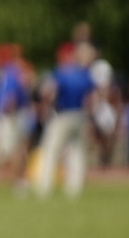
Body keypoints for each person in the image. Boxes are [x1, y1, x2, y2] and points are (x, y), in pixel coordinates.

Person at [36, 40, 98, 198]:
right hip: (80, 116)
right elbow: (91, 99)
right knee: (77, 152)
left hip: (62, 115)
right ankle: (74, 189)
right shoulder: (85, 74)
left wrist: (44, 106)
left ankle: (44, 186)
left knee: (51, 150)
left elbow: (48, 92)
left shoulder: (61, 72)